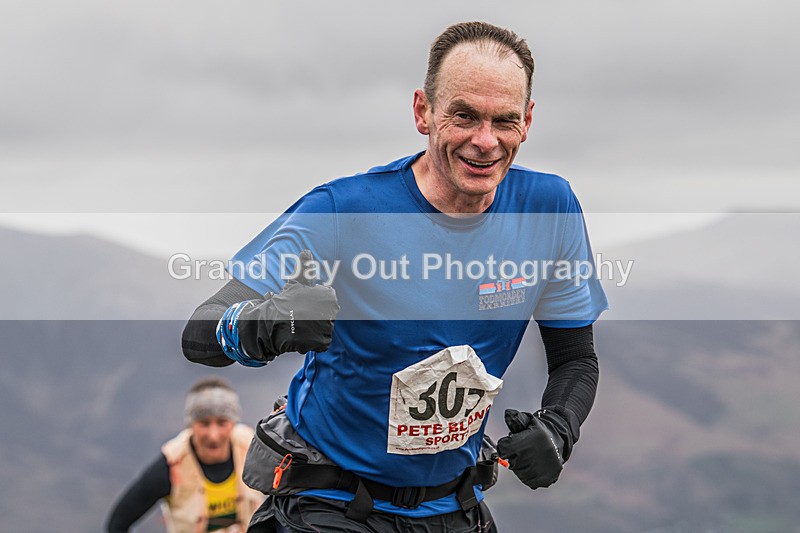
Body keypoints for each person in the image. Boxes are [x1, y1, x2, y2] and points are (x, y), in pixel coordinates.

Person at [182, 21, 608, 532]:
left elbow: (576, 360)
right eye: (464, 116)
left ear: (528, 121)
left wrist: (560, 428)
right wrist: (268, 324)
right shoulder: (343, 211)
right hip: (330, 505)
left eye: (504, 120)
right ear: (423, 112)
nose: (485, 141)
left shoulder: (549, 209)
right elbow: (201, 331)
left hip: (454, 508)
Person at [106, 377, 265, 533]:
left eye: (222, 422)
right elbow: (117, 524)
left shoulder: (254, 449)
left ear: (233, 423)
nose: (213, 435)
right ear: (190, 424)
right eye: (204, 423)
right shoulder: (172, 465)